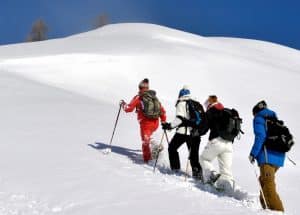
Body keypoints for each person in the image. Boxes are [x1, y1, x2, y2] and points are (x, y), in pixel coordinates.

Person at [249, 100, 285, 212]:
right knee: (263, 181)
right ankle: (266, 209)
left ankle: (278, 211)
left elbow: (260, 137)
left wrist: (253, 154)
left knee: (268, 184)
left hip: (267, 157)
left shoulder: (259, 119)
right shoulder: (274, 118)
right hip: (278, 157)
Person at [120, 78, 167, 163]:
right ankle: (155, 147)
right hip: (155, 122)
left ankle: (147, 159)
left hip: (145, 124)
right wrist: (163, 120)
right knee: (149, 138)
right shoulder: (153, 97)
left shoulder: (139, 97)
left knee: (145, 141)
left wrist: (123, 104)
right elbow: (162, 110)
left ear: (139, 88)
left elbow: (129, 109)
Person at [162, 86, 203, 179]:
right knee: (193, 155)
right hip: (194, 133)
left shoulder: (181, 103)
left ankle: (175, 169)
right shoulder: (194, 102)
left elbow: (179, 119)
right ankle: (198, 177)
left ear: (180, 94)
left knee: (172, 148)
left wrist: (169, 126)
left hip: (183, 132)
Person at [199, 95, 234, 190]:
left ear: (209, 104)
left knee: (204, 159)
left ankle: (211, 174)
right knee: (226, 171)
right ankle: (228, 189)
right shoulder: (226, 112)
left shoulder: (211, 111)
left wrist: (197, 133)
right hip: (229, 144)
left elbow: (204, 128)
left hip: (216, 141)